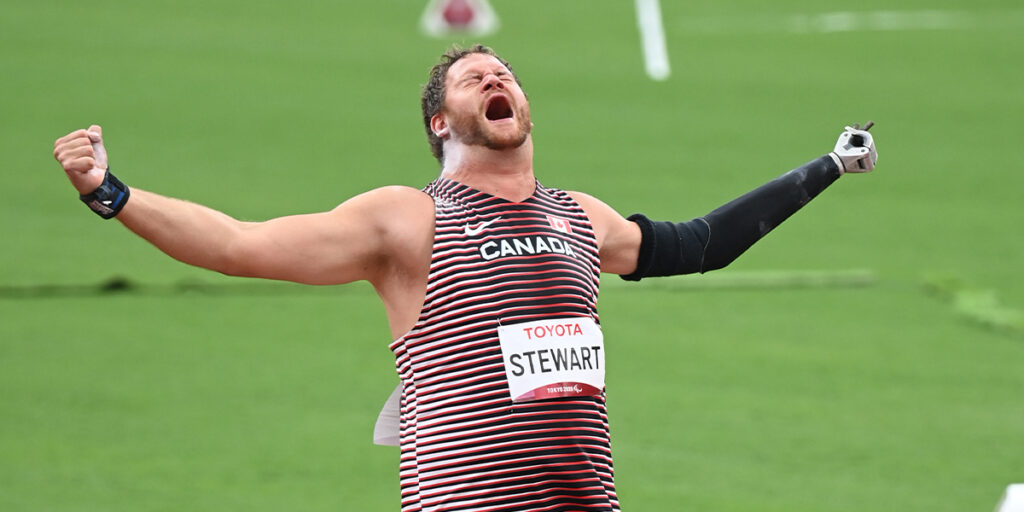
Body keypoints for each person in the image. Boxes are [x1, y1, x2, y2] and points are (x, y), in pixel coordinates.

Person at [53, 44, 877, 512]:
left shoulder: (578, 217)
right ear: (441, 122)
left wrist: (827, 167)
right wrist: (111, 193)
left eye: (506, 73)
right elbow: (236, 242)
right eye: (473, 77)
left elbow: (702, 243)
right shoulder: (409, 219)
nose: (497, 79)